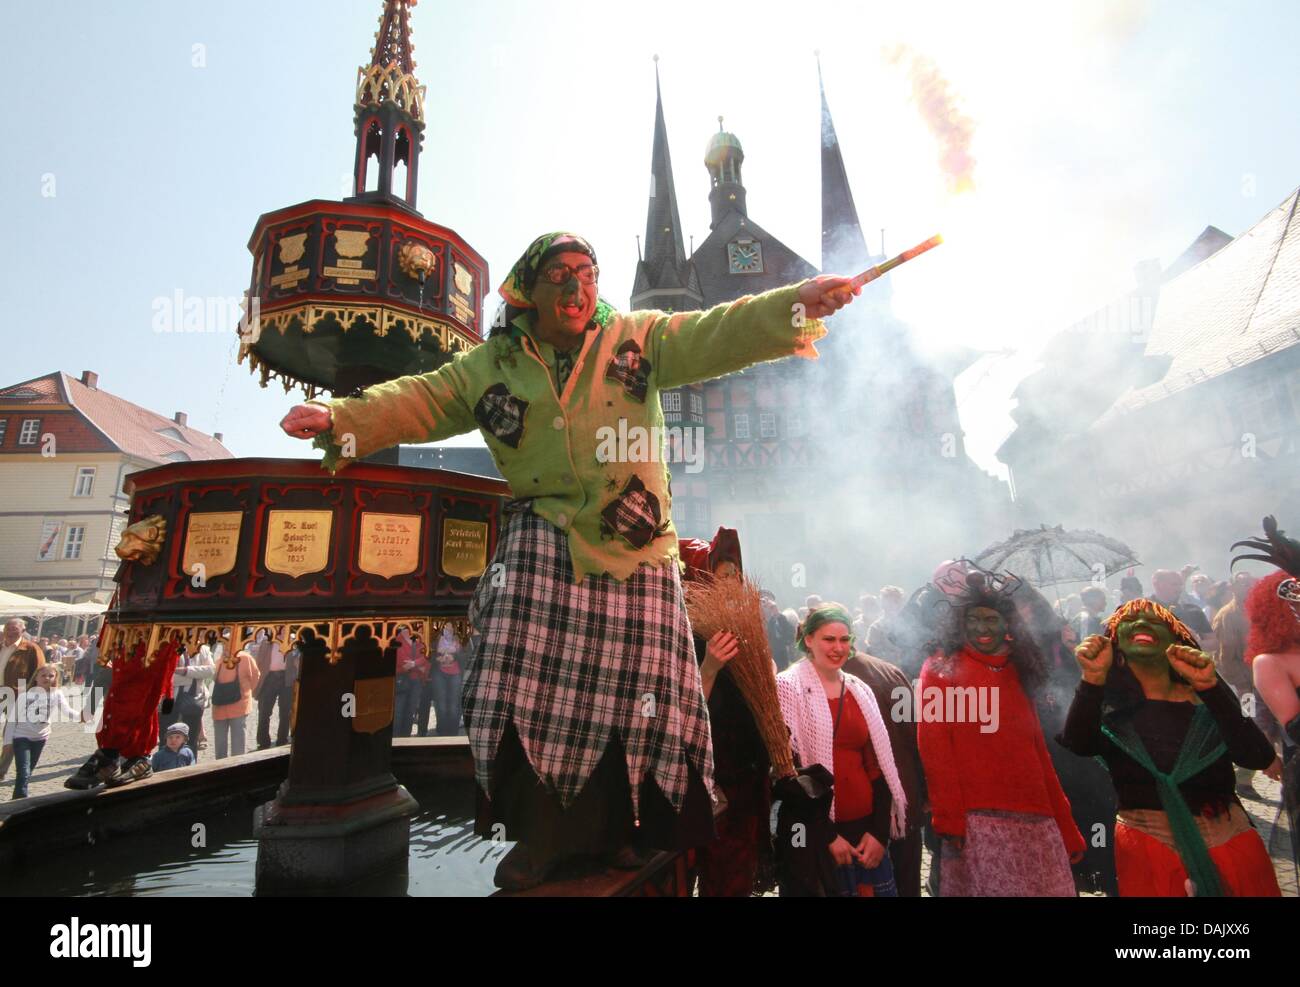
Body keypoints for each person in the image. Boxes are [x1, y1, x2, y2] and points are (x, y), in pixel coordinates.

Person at [279, 230, 862, 890]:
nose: (579, 288)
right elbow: (420, 398)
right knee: (508, 667)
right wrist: (337, 418)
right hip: (544, 531)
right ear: (530, 289)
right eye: (561, 275)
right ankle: (542, 841)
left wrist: (798, 303)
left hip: (635, 544)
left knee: (641, 697)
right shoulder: (489, 364)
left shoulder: (636, 339)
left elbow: (716, 332)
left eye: (588, 274)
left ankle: (623, 835)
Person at [1062, 599, 1281, 896]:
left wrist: (1210, 687)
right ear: (1116, 644)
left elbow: (1257, 755)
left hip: (1230, 841)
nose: (1141, 623)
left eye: (1157, 620)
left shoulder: (1204, 690)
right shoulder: (1107, 703)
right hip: (1148, 848)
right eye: (1130, 619)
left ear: (1175, 638)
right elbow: (1079, 744)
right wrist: (1091, 679)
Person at [918, 570, 1085, 896]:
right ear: (959, 624)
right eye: (974, 619)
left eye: (991, 619)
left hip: (1037, 820)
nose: (983, 628)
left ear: (1008, 625)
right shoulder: (942, 669)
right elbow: (935, 749)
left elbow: (1038, 752)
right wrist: (949, 818)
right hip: (977, 824)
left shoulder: (1017, 668)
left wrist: (1066, 826)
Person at [776, 604, 908, 896]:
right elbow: (788, 772)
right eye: (829, 639)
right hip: (814, 830)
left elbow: (879, 765)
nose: (838, 647)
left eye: (844, 640)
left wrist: (878, 833)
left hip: (865, 831)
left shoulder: (859, 689)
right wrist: (827, 835)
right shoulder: (787, 687)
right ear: (808, 640)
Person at [680, 527, 774, 897]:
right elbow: (680, 716)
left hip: (747, 778)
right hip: (704, 781)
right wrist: (710, 668)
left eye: (736, 576)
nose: (732, 585)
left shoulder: (746, 633)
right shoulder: (681, 636)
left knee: (735, 880)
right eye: (722, 576)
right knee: (690, 873)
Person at [844, 646, 927, 896]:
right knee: (906, 880)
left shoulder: (838, 679)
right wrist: (924, 794)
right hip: (905, 801)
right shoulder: (889, 670)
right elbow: (918, 737)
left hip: (871, 810)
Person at [64, 628, 182, 789]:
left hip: (157, 631)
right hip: (130, 627)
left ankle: (121, 756)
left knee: (137, 694)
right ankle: (119, 755)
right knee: (121, 694)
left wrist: (168, 692)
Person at [5, 664, 80, 798]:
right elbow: (12, 720)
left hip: (40, 738)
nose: (47, 678)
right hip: (21, 737)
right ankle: (19, 800)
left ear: (56, 677)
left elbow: (67, 711)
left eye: (51, 675)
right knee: (23, 771)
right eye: (43, 675)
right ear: (36, 678)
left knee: (29, 771)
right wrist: (7, 742)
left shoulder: (57, 694)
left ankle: (19, 797)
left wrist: (82, 716)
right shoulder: (25, 696)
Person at [0, 618, 45, 782]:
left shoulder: (31, 648)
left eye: (15, 628)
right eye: (8, 628)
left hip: (17, 697)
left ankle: (1, 770)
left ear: (23, 630)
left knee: (9, 734)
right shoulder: (1, 645)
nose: (11, 631)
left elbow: (41, 672)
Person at [163, 640, 213, 761]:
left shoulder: (202, 649)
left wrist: (185, 671)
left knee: (191, 740)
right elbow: (166, 675)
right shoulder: (168, 647)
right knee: (166, 738)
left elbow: (210, 670)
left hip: (193, 699)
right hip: (168, 699)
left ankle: (190, 767)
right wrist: (194, 676)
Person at [211, 648, 261, 760]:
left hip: (239, 706)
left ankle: (237, 768)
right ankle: (219, 769)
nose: (226, 646)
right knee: (220, 744)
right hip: (220, 708)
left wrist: (246, 692)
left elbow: (255, 676)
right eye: (224, 644)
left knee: (238, 744)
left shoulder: (245, 658)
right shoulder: (219, 661)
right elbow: (214, 677)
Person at [253, 630, 293, 749]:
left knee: (285, 711)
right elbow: (259, 659)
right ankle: (263, 741)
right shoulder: (267, 641)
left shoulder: (293, 639)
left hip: (286, 677)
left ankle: (282, 739)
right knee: (264, 711)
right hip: (269, 677)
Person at [392, 626, 429, 738]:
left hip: (416, 682)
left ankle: (405, 739)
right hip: (401, 681)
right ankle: (395, 740)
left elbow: (426, 659)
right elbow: (401, 662)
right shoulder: (396, 641)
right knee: (398, 712)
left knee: (410, 712)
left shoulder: (417, 641)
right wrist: (417, 665)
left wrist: (413, 664)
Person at [427, 626, 464, 737]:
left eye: (451, 628)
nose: (448, 630)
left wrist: (454, 657)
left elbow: (464, 657)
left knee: (454, 704)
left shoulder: (458, 642)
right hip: (439, 674)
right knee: (441, 703)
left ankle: (453, 732)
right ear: (442, 629)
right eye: (446, 628)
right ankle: (442, 731)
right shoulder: (435, 642)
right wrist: (438, 659)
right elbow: (429, 656)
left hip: (455, 674)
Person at [864, 585, 907, 668]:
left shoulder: (910, 625)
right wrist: (895, 655)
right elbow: (872, 655)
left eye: (895, 601)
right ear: (883, 603)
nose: (892, 605)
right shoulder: (876, 628)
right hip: (886, 672)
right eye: (889, 601)